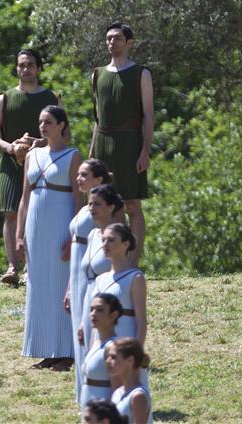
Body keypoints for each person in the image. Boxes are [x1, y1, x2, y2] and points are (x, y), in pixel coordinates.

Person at [0, 48, 61, 284]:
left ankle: (30, 266)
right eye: (21, 65)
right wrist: (10, 148)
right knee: (10, 214)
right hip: (11, 163)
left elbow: (65, 136)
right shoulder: (5, 98)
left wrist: (41, 142)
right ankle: (11, 267)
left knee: (35, 214)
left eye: (29, 65)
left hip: (42, 162)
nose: (25, 69)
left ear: (38, 68)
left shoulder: (52, 99)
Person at [17, 105, 83, 371]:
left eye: (49, 122)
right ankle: (45, 349)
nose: (43, 127)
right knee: (39, 285)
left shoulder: (73, 156)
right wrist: (20, 234)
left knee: (60, 283)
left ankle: (66, 351)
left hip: (60, 225)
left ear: (62, 126)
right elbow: (24, 197)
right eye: (41, 122)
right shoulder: (32, 155)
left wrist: (74, 235)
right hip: (36, 226)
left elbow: (79, 200)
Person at [89, 22, 153, 263]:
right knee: (107, 204)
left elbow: (148, 114)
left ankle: (132, 260)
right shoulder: (98, 74)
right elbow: (97, 118)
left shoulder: (141, 73)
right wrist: (92, 155)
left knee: (132, 204)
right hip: (104, 143)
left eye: (117, 38)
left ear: (129, 42)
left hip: (129, 143)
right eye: (108, 38)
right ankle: (112, 259)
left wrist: (145, 151)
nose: (111, 42)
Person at [66, 161, 114, 400]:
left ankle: (95, 396)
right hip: (76, 276)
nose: (79, 179)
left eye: (84, 175)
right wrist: (68, 289)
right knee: (79, 333)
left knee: (88, 333)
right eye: (78, 175)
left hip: (91, 279)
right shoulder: (85, 207)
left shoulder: (104, 209)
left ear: (98, 180)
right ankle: (81, 395)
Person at [78, 184, 124, 349]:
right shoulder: (92, 235)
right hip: (88, 302)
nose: (92, 208)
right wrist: (83, 321)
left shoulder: (119, 237)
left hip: (106, 306)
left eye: (97, 204)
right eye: (90, 204)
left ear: (110, 207)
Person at [93, 224, 146, 345]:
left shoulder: (135, 278)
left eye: (111, 240)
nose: (105, 245)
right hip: (100, 343)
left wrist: (137, 352)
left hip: (124, 342)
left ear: (126, 244)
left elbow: (141, 320)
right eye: (103, 240)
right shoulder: (100, 279)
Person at [80, 294, 124, 406]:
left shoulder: (112, 348)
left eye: (99, 310)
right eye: (91, 309)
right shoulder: (96, 344)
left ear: (113, 315)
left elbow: (118, 389)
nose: (93, 314)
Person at [106, 338, 153, 424]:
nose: (108, 361)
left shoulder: (138, 396)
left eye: (113, 357)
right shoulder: (117, 392)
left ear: (130, 360)